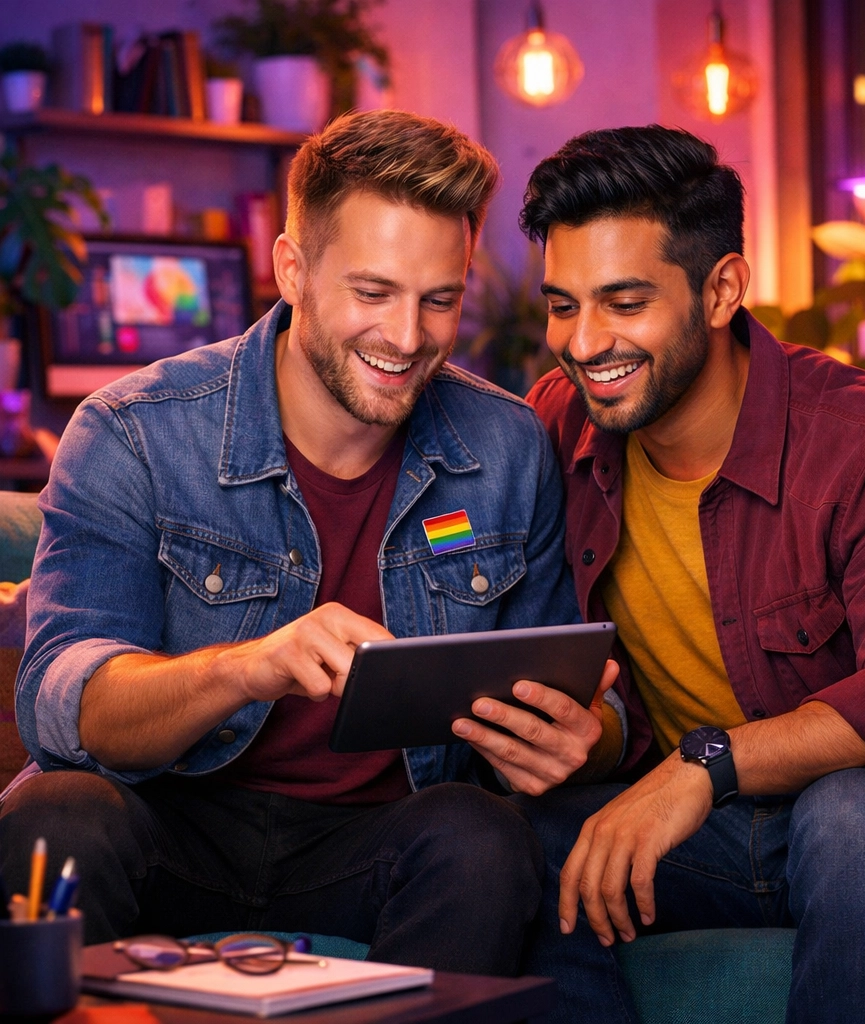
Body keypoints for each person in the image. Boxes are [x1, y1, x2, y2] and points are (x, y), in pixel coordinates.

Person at [0, 109, 623, 976]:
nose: (407, 339)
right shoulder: (132, 431)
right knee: (54, 817)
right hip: (169, 820)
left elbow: (567, 674)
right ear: (292, 268)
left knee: (483, 839)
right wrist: (249, 665)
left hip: (373, 841)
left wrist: (582, 729)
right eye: (373, 293)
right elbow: (65, 705)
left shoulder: (508, 446)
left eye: (439, 300)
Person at [517, 124, 865, 1023]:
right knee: (506, 843)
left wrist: (704, 764)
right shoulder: (559, 424)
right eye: (563, 304)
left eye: (623, 303)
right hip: (710, 835)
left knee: (853, 816)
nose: (585, 343)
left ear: (721, 289)